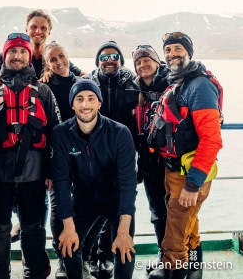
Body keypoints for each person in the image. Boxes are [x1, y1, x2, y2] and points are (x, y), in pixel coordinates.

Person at [0, 32, 61, 279]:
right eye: (12, 52)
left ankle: (35, 273)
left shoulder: (44, 91)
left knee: (33, 227)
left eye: (23, 51)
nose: (17, 56)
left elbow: (55, 133)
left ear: (30, 56)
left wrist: (50, 172)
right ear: (4, 56)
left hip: (34, 172)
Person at [146, 32, 223, 279]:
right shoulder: (180, 82)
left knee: (176, 230)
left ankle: (172, 272)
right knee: (188, 222)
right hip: (175, 169)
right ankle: (194, 269)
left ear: (189, 52)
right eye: (167, 51)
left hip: (189, 173)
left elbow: (211, 140)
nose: (172, 54)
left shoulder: (199, 86)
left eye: (177, 49)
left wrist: (193, 184)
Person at [51, 79, 137, 279]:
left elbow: (128, 184)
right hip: (84, 198)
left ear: (99, 103)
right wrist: (68, 227)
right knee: (69, 248)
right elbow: (61, 182)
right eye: (79, 99)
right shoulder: (61, 134)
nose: (85, 104)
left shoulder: (120, 133)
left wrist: (123, 232)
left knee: (124, 250)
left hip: (115, 199)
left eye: (91, 98)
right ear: (72, 104)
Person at [82, 40, 138, 278]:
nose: (109, 61)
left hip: (124, 154)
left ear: (121, 61)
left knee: (118, 206)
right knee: (95, 208)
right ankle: (92, 254)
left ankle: (106, 255)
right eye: (104, 57)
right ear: (97, 61)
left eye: (114, 56)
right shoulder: (89, 82)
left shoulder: (132, 84)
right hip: (94, 155)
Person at [130, 44, 169, 278]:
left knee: (177, 214)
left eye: (147, 60)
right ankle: (163, 255)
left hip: (171, 161)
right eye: (138, 62)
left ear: (156, 62)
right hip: (147, 161)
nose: (143, 65)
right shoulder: (134, 90)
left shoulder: (172, 82)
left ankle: (182, 262)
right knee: (157, 211)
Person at [41, 41, 78, 279]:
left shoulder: (82, 83)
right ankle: (63, 259)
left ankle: (81, 253)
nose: (58, 62)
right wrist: (47, 168)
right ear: (47, 63)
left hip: (82, 155)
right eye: (52, 59)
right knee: (57, 207)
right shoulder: (44, 88)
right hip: (56, 155)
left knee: (83, 206)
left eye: (61, 56)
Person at [0, 9, 86, 78]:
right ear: (26, 30)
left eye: (43, 28)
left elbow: (83, 75)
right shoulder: (15, 54)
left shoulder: (54, 56)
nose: (38, 31)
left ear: (49, 32)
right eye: (34, 27)